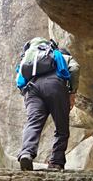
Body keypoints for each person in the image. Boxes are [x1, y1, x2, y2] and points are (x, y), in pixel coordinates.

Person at [15, 38, 80, 171]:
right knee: (61, 127)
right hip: (54, 85)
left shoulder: (29, 58)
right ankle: (56, 162)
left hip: (31, 88)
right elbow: (74, 68)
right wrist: (72, 92)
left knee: (33, 123)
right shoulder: (59, 55)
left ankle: (26, 153)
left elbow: (19, 78)